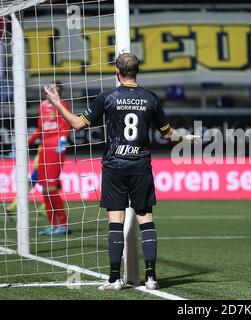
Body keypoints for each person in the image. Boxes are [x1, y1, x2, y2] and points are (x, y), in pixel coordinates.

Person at [43, 53, 198, 291]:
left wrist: (55, 103)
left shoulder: (107, 98)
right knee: (145, 219)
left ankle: (114, 279)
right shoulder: (150, 98)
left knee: (116, 220)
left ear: (117, 72)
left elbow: (75, 124)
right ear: (137, 72)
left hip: (115, 166)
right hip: (140, 166)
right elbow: (168, 134)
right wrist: (185, 138)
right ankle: (151, 277)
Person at [28, 82, 71, 236]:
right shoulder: (42, 106)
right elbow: (40, 129)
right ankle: (53, 225)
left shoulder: (63, 104)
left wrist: (64, 139)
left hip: (56, 148)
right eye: (50, 89)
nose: (53, 91)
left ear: (59, 92)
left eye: (56, 90)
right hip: (44, 148)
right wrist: (26, 142)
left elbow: (67, 124)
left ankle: (64, 224)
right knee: (44, 189)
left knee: (51, 188)